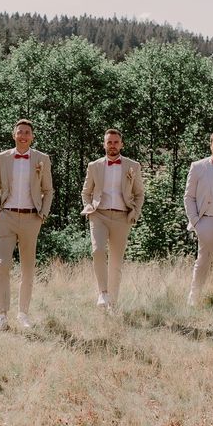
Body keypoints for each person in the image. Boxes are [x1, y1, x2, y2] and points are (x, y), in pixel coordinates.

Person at [0, 119, 53, 331]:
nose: (23, 135)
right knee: (3, 265)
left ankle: (23, 314)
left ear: (32, 137)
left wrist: (42, 214)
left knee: (27, 267)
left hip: (31, 218)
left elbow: (49, 190)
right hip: (6, 217)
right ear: (14, 135)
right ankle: (1, 316)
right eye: (20, 132)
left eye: (27, 132)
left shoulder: (42, 159)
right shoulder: (1, 158)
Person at [81, 128, 144, 309]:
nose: (113, 145)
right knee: (98, 251)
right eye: (109, 142)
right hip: (98, 214)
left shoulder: (133, 166)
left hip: (122, 217)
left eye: (116, 142)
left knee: (116, 260)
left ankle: (112, 304)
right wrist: (88, 207)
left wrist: (135, 212)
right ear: (104, 144)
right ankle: (103, 293)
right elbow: (86, 192)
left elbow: (139, 194)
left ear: (121, 144)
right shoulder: (94, 166)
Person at [184, 131, 213, 306]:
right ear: (210, 144)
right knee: (203, 261)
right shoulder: (198, 166)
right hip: (206, 220)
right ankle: (194, 299)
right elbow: (189, 196)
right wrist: (196, 221)